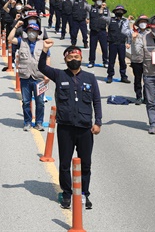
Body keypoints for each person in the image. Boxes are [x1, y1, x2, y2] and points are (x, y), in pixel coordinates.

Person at [38, 40, 102, 210]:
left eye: (77, 56)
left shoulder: (90, 77)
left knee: (86, 164)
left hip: (84, 128)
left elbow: (96, 101)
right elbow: (42, 67)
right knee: (65, 163)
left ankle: (84, 194)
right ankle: (67, 194)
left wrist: (98, 122)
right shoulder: (60, 75)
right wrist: (45, 50)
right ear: (65, 60)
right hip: (65, 127)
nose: (74, 58)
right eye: (71, 56)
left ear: (81, 58)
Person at [8, 22, 50, 131]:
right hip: (25, 77)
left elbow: (47, 58)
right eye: (30, 31)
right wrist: (16, 26)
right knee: (26, 101)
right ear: (27, 32)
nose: (32, 33)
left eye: (34, 31)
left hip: (39, 77)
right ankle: (27, 122)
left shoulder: (42, 43)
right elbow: (10, 38)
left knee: (40, 102)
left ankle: (39, 122)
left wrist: (47, 73)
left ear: (38, 33)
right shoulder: (22, 41)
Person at [106, 5, 132, 84]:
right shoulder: (110, 20)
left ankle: (123, 76)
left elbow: (128, 33)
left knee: (122, 60)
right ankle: (110, 76)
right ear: (115, 12)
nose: (119, 12)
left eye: (121, 11)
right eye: (118, 11)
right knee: (111, 61)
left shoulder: (125, 21)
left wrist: (128, 42)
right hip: (112, 43)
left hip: (121, 43)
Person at [130, 15, 150, 104]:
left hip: (147, 60)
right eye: (141, 22)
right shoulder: (133, 33)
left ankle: (146, 97)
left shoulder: (150, 34)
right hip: (136, 60)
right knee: (137, 79)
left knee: (147, 79)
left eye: (145, 22)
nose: (143, 24)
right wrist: (133, 38)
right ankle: (138, 96)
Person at [87, 0, 110, 68]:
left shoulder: (106, 10)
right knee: (92, 47)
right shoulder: (91, 8)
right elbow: (84, 6)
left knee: (104, 47)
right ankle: (91, 61)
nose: (99, 1)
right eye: (98, 0)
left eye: (101, 0)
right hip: (93, 31)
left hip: (102, 31)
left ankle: (105, 61)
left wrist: (103, 8)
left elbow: (109, 20)